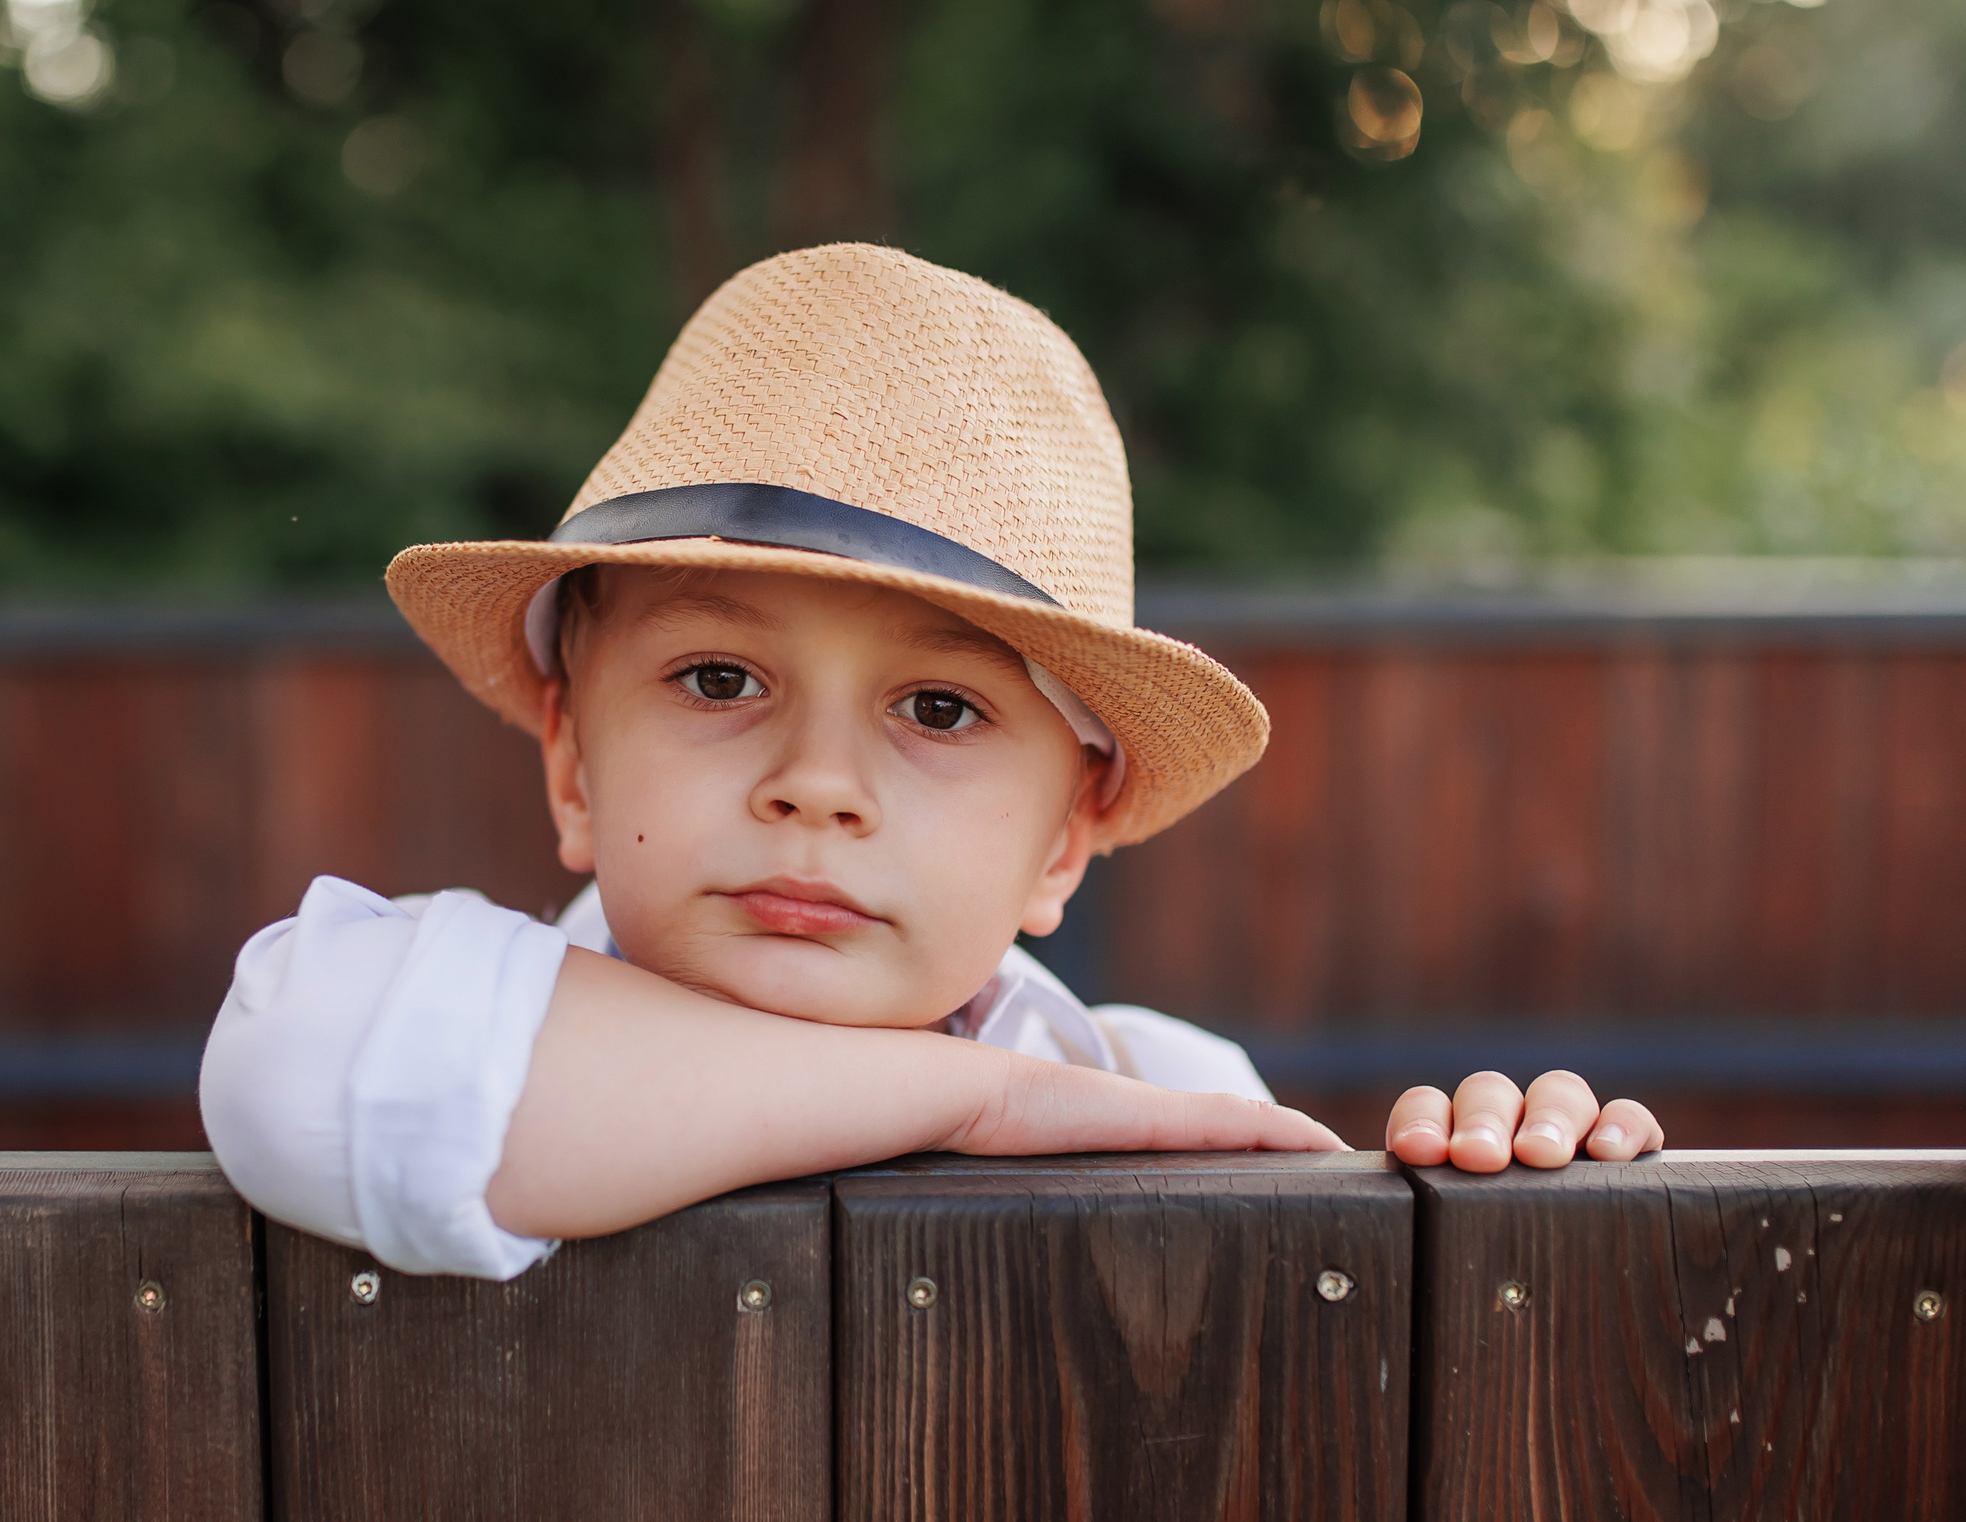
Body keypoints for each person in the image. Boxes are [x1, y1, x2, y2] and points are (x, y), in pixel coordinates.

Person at [199, 243, 1664, 1280]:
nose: (816, 784)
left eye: (942, 711)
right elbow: (291, 1079)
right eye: (720, 678)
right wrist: (969, 1104)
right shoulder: (424, 1011)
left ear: (1062, 843)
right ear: (576, 773)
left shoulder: (1158, 1089)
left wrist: (1498, 1198)